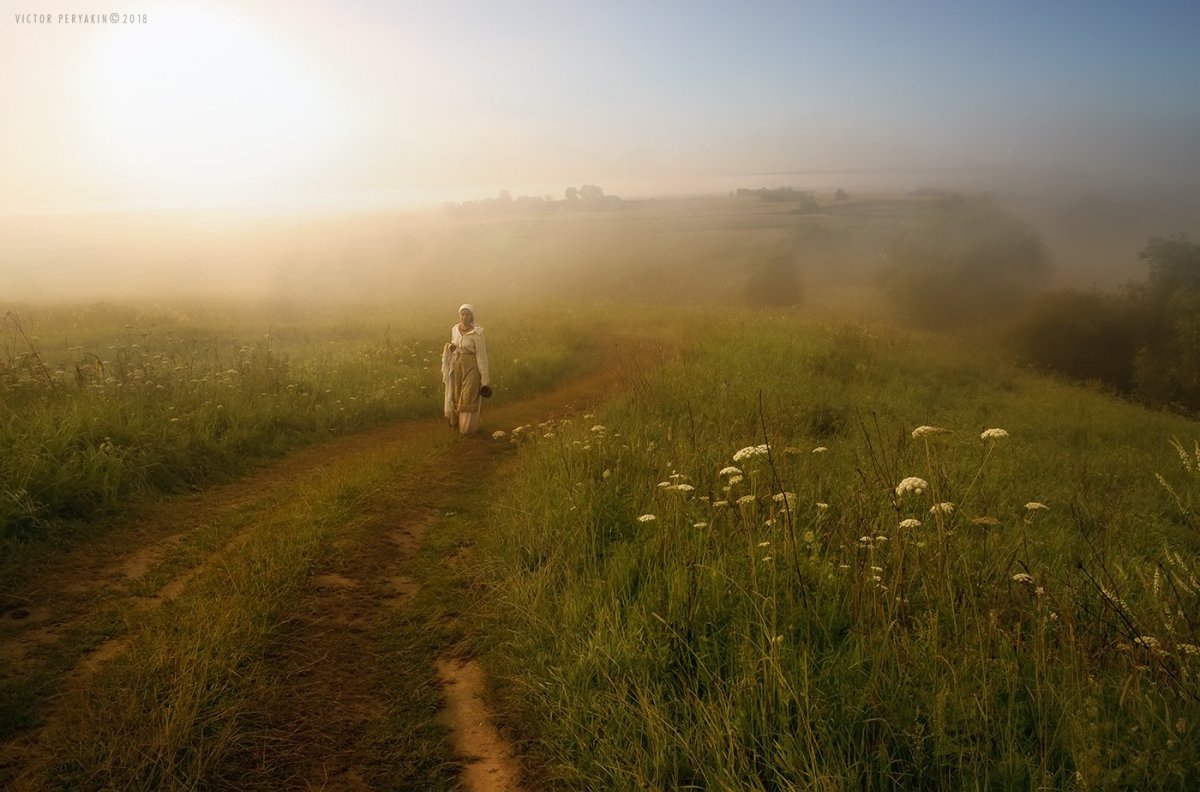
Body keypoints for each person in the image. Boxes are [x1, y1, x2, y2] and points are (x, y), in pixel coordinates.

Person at [440, 304, 492, 434]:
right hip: (458, 364)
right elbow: (455, 345)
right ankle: (457, 424)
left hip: (472, 365)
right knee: (457, 394)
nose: (464, 317)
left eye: (467, 314)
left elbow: (481, 355)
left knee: (468, 395)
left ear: (471, 316)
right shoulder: (455, 329)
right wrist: (451, 348)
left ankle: (467, 428)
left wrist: (485, 378)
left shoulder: (477, 333)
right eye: (462, 314)